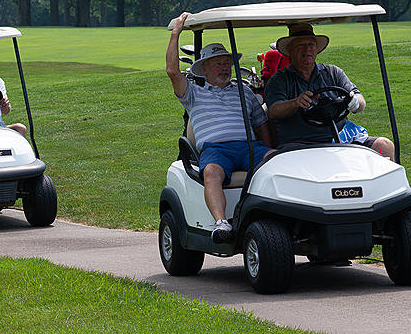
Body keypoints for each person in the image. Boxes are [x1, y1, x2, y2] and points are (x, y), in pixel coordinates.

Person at [167, 12, 273, 241]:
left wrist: (269, 150)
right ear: (204, 68)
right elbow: (172, 72)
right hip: (217, 149)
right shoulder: (194, 93)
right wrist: (176, 33)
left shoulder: (244, 91)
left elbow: (261, 124)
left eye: (227, 63)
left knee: (279, 161)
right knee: (212, 171)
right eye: (218, 64)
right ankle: (221, 222)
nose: (225, 68)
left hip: (249, 148)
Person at [264, 23, 395, 159]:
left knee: (384, 146)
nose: (307, 50)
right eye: (300, 45)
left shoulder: (333, 72)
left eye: (311, 45)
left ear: (316, 49)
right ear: (290, 50)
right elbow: (274, 110)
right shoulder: (279, 80)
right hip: (300, 143)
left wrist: (356, 102)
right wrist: (296, 103)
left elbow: (359, 99)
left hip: (341, 136)